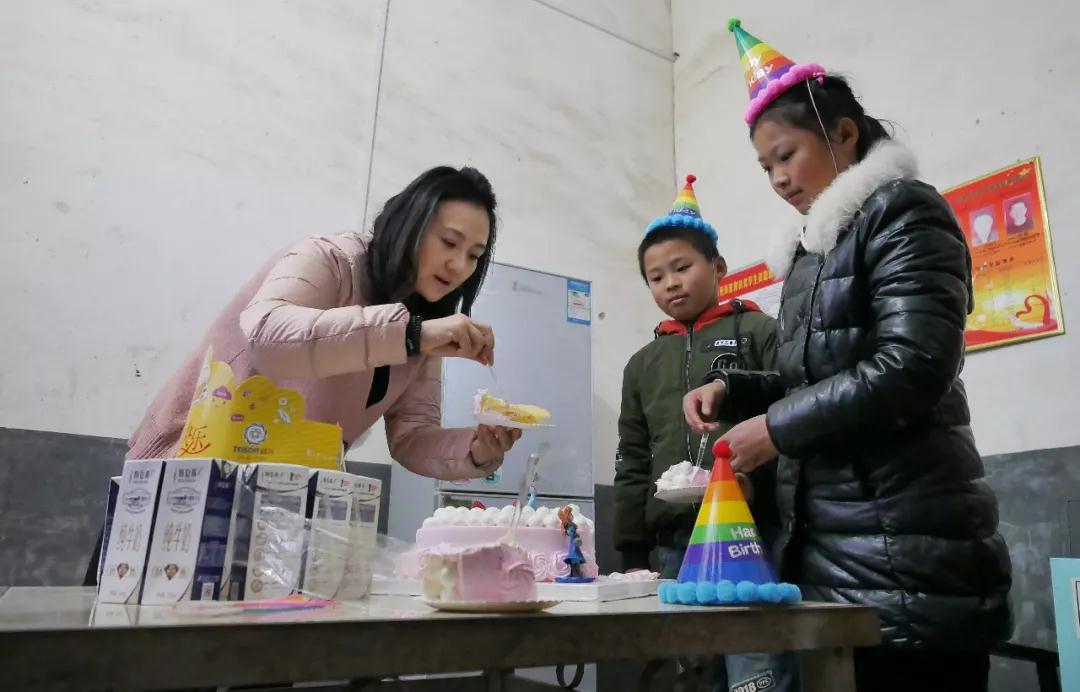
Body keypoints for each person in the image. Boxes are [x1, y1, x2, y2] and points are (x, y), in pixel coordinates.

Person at [683, 20, 1012, 692]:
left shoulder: (904, 213)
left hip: (908, 559)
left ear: (843, 134)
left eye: (786, 155)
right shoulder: (813, 251)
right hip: (834, 557)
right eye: (765, 167)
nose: (778, 179)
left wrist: (776, 430)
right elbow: (815, 377)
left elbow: (913, 365)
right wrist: (738, 392)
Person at [128, 166, 522, 478]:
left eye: (474, 255)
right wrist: (410, 335)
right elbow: (266, 334)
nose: (459, 266)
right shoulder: (331, 260)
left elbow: (413, 435)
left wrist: (476, 449)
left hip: (280, 497)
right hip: (184, 475)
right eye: (449, 243)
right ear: (410, 226)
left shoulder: (425, 323)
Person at [615, 176, 795, 692]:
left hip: (753, 536)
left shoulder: (759, 332)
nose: (670, 284)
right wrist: (632, 550)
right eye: (656, 277)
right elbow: (632, 457)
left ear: (718, 268)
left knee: (757, 663)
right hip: (677, 543)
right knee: (696, 668)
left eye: (682, 267)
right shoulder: (642, 364)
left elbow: (790, 410)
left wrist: (768, 492)